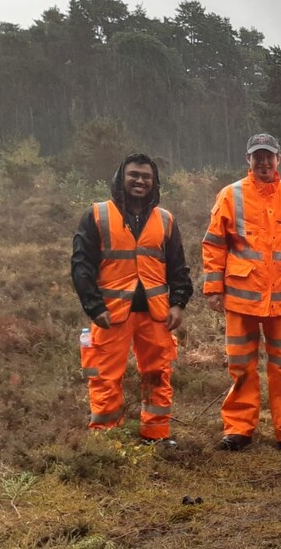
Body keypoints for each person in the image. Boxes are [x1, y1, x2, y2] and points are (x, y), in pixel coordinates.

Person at [71, 153, 193, 446]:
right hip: (110, 314)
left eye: (146, 176)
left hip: (155, 314)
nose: (140, 181)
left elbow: (178, 266)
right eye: (133, 175)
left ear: (154, 182)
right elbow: (81, 265)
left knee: (158, 374)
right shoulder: (97, 215)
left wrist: (178, 302)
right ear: (121, 178)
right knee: (104, 376)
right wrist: (94, 306)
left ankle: (156, 434)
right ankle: (106, 438)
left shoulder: (165, 220)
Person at [200, 133, 281, 451]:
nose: (263, 161)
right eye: (257, 156)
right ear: (247, 159)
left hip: (279, 298)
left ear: (279, 159)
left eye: (269, 156)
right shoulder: (230, 194)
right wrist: (213, 288)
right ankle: (238, 429)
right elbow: (214, 243)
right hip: (240, 297)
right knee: (241, 366)